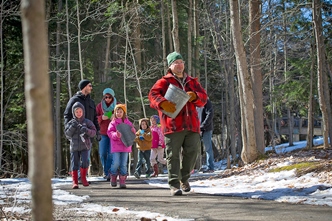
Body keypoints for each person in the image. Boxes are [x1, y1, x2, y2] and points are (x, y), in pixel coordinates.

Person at [148, 51, 207, 196]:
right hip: (172, 125)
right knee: (172, 155)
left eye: (181, 62)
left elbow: (204, 98)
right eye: (176, 63)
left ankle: (184, 179)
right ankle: (174, 185)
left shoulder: (192, 81)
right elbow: (152, 95)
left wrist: (195, 96)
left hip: (192, 124)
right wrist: (163, 103)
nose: (179, 65)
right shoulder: (164, 81)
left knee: (192, 152)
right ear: (170, 66)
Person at [64, 102, 96, 189]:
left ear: (83, 112)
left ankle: (83, 178)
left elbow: (93, 133)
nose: (78, 113)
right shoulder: (71, 123)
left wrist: (86, 130)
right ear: (74, 113)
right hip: (74, 147)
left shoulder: (87, 122)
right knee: (75, 163)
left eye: (80, 111)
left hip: (85, 146)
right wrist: (72, 127)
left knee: (85, 162)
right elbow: (67, 134)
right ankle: (75, 181)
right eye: (76, 112)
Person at [107, 104, 136, 188]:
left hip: (125, 146)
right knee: (115, 162)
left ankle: (122, 181)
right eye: (117, 112)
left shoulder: (128, 122)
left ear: (124, 113)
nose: (119, 113)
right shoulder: (113, 123)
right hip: (116, 146)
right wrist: (116, 135)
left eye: (121, 112)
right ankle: (113, 176)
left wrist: (133, 131)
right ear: (115, 112)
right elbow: (109, 132)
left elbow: (132, 132)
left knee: (123, 164)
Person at [96, 88, 117, 181]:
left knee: (111, 154)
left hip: (113, 132)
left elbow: (124, 117)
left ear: (113, 97)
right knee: (103, 153)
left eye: (109, 97)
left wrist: (115, 117)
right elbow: (94, 119)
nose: (107, 99)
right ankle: (106, 171)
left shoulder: (118, 105)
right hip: (103, 133)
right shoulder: (99, 107)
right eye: (106, 97)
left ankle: (108, 172)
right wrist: (101, 117)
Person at [196, 98, 215, 173]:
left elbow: (210, 114)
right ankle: (191, 168)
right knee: (192, 148)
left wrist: (204, 125)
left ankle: (210, 167)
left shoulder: (206, 102)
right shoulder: (194, 102)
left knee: (208, 148)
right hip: (196, 129)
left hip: (206, 129)